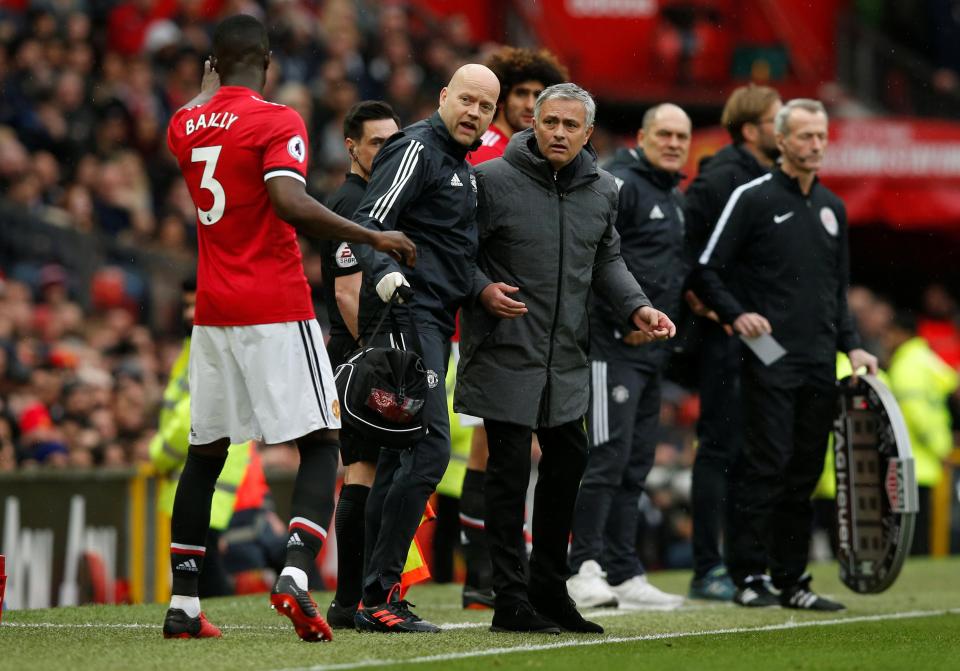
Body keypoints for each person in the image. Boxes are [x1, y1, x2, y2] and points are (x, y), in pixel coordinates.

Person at [162, 15, 415, 641]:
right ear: (269, 61)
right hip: (275, 304)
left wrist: (206, 88)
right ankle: (298, 574)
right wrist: (371, 232)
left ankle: (184, 606)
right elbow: (286, 200)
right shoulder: (277, 120)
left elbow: (197, 110)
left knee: (205, 455)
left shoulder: (183, 124)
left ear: (213, 63)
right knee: (322, 441)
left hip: (214, 312)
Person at [456, 83, 676, 634]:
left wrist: (638, 308)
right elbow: (456, 253)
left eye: (569, 125)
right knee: (508, 478)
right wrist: (482, 289)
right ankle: (509, 599)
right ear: (532, 122)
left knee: (567, 469)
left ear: (587, 133)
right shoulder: (489, 182)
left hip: (567, 358)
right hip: (506, 349)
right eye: (549, 121)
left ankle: (550, 592)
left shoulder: (604, 190)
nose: (558, 132)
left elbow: (608, 262)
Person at [697, 98, 877, 611]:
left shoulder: (832, 207)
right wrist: (737, 314)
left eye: (821, 136)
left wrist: (855, 346)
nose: (815, 145)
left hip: (821, 359)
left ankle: (793, 581)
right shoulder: (752, 197)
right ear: (782, 141)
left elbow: (837, 292)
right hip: (768, 355)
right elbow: (707, 269)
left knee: (803, 471)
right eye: (805, 136)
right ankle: (749, 576)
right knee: (765, 464)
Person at [349, 63, 500, 633]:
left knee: (399, 457)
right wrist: (385, 272)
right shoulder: (416, 149)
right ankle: (377, 594)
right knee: (431, 451)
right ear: (444, 96)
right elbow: (368, 220)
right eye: (467, 100)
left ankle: (371, 595)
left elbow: (449, 251)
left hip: (435, 319)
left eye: (485, 107)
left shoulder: (459, 164)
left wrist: (483, 288)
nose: (474, 113)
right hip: (408, 316)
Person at [566, 103, 690, 611]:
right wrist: (623, 321)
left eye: (682, 135)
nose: (675, 142)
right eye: (665, 133)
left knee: (636, 462)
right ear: (643, 135)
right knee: (605, 455)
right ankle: (581, 567)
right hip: (610, 346)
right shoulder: (621, 182)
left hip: (649, 351)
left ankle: (622, 569)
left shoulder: (672, 193)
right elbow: (593, 255)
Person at [461, 45, 568, 611]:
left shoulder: (544, 157)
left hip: (528, 326)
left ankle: (487, 573)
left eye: (536, 94)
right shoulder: (487, 155)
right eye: (521, 94)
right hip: (481, 321)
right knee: (488, 451)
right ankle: (481, 572)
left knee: (501, 451)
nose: (528, 104)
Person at [683, 84, 782, 601]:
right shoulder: (722, 178)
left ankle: (749, 565)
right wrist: (709, 303)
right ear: (750, 129)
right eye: (776, 118)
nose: (784, 127)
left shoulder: (776, 180)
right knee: (719, 450)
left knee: (754, 451)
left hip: (762, 335)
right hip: (727, 336)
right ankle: (707, 568)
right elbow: (690, 250)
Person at [317, 100, 402, 629]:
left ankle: (357, 597)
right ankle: (351, 601)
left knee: (372, 475)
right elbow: (348, 296)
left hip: (370, 352)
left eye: (393, 143)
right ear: (351, 146)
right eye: (376, 143)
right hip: (362, 356)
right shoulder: (350, 204)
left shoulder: (375, 198)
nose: (386, 152)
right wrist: (374, 363)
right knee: (365, 474)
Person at [149, 277, 250, 599]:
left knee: (202, 570)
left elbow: (189, 419)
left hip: (203, 469)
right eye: (187, 304)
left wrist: (157, 454)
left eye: (197, 305)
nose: (190, 312)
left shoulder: (206, 347)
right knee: (203, 566)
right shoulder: (196, 345)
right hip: (209, 469)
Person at [881, 309, 958, 555]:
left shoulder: (906, 365)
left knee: (912, 529)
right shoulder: (926, 357)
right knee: (924, 523)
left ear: (900, 334)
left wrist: (938, 446)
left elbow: (917, 415)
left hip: (911, 457)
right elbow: (952, 383)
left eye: (888, 334)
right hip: (929, 460)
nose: (885, 340)